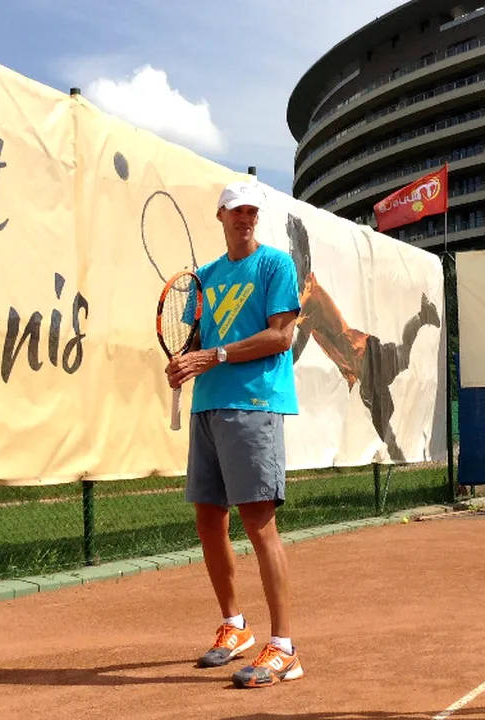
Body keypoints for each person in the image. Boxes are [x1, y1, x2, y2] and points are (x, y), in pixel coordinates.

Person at [165, 180, 303, 689]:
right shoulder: (204, 278)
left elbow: (281, 336)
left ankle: (285, 646)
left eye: (251, 211)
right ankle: (235, 626)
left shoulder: (274, 266)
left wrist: (215, 355)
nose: (244, 218)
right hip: (208, 407)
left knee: (258, 522)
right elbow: (197, 340)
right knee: (208, 520)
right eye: (235, 211)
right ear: (219, 216)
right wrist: (185, 363)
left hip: (255, 404)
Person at [285, 215, 440, 463]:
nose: (290, 262)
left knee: (385, 405)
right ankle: (422, 315)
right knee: (400, 364)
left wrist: (271, 360)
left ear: (304, 259)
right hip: (361, 356)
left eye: (293, 255)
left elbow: (295, 349)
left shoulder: (310, 297)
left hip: (364, 357)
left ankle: (397, 455)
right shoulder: (306, 291)